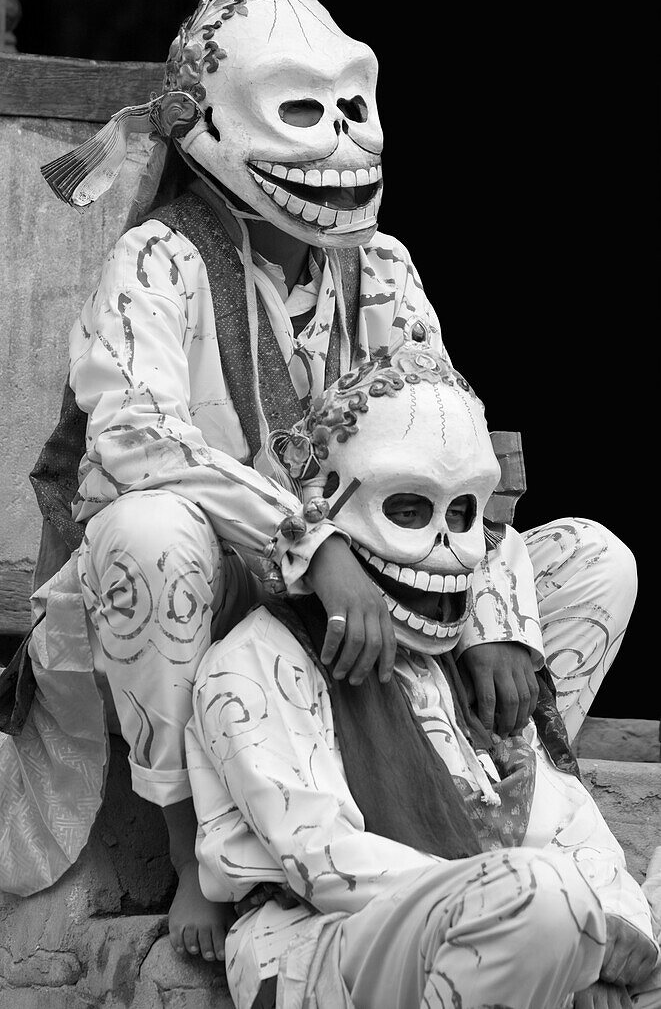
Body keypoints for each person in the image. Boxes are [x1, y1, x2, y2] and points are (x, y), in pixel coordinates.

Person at [0, 0, 637, 970]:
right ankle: (199, 848)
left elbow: (449, 437)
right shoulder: (156, 258)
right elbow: (134, 438)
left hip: (391, 594)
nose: (333, 143)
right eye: (299, 112)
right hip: (228, 594)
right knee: (147, 532)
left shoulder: (386, 268)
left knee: (598, 558)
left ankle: (472, 791)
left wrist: (500, 616)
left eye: (350, 110)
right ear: (207, 130)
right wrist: (311, 544)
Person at [185, 344, 660, 1009]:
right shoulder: (256, 660)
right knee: (543, 903)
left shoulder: (466, 664)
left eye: (463, 513)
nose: (445, 543)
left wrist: (613, 932)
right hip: (323, 948)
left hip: (524, 928)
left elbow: (567, 821)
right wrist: (552, 926)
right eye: (407, 510)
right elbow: (322, 862)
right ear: (325, 506)